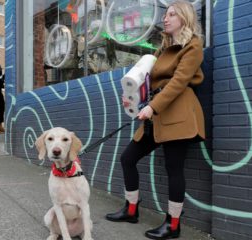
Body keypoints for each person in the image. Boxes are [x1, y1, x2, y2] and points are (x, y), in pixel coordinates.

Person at [105, 1, 205, 239]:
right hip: (156, 112)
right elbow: (148, 80)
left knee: (174, 169)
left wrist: (152, 107)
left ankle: (173, 224)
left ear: (184, 17)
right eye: (166, 14)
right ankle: (131, 210)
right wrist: (131, 98)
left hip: (179, 112)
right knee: (128, 158)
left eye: (172, 15)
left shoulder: (193, 45)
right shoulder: (162, 49)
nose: (166, 19)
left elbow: (179, 81)